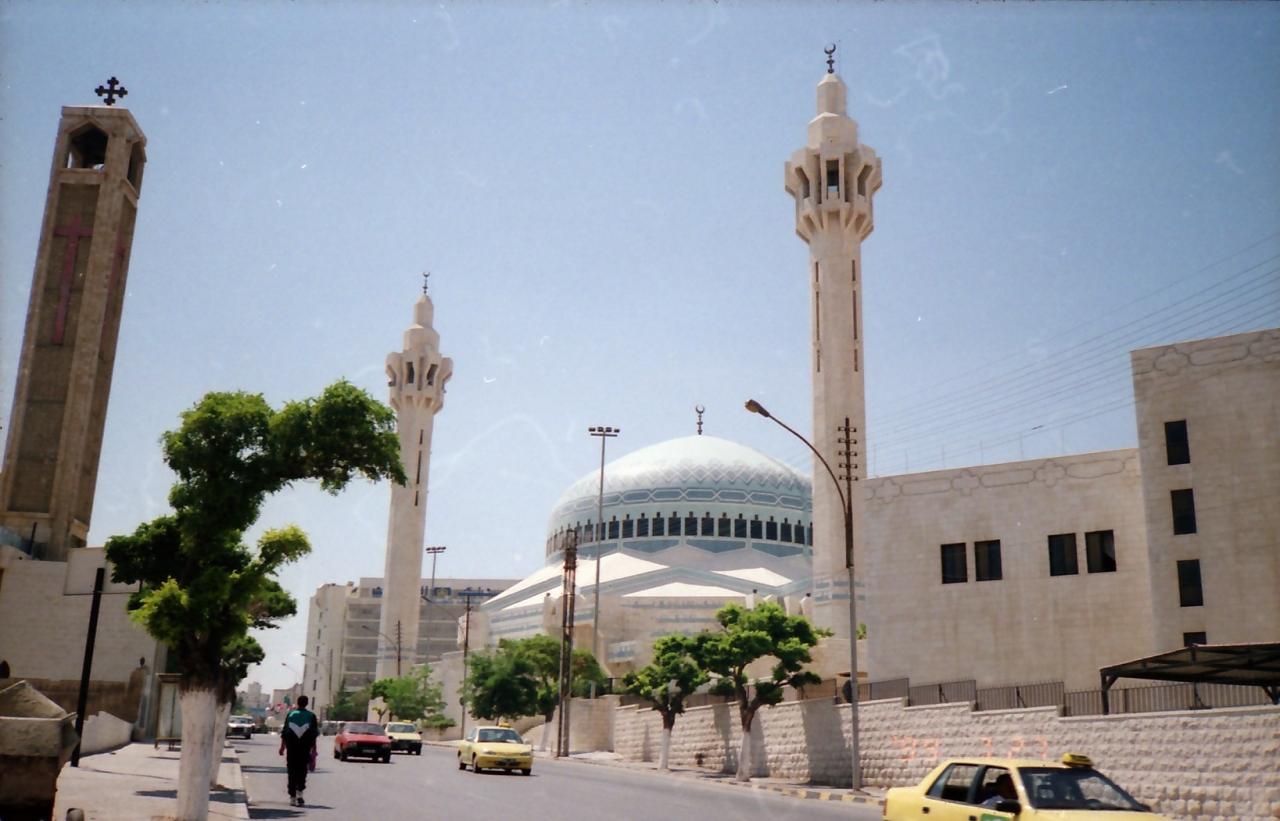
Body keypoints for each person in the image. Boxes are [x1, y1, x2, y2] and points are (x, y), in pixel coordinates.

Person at [278, 695, 319, 807]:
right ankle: (300, 792)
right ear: (307, 703)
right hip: (305, 749)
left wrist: (282, 747)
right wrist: (314, 749)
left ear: (297, 702)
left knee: (292, 771)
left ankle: (292, 796)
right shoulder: (311, 716)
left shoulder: (291, 715)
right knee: (302, 770)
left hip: (292, 748)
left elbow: (285, 732)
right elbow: (314, 734)